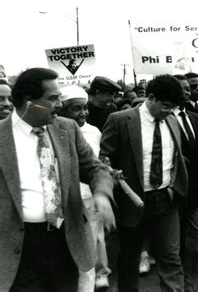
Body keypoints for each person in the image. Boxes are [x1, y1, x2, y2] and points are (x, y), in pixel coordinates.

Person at [0, 67, 115, 292]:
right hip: (18, 246)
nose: (60, 104)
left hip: (65, 240)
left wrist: (101, 194)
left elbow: (94, 168)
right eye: (52, 99)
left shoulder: (67, 128)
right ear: (29, 101)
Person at [100, 74, 188, 291]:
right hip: (132, 201)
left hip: (166, 200)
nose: (169, 112)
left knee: (171, 258)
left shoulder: (173, 121)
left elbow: (176, 158)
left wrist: (175, 187)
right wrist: (110, 171)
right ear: (150, 97)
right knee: (129, 260)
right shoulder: (120, 120)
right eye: (166, 106)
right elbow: (104, 157)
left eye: (173, 108)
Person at [58, 85, 112, 290]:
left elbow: (94, 164)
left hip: (89, 196)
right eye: (76, 109)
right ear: (62, 109)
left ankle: (98, 274)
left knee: (92, 242)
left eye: (85, 108)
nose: (83, 113)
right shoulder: (53, 131)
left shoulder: (93, 131)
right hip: (64, 200)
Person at [173, 74, 198, 291]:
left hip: (195, 189)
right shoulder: (165, 119)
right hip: (173, 189)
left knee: (197, 237)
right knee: (173, 242)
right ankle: (176, 282)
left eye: (189, 89)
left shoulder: (196, 117)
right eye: (183, 89)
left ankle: (191, 282)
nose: (187, 92)